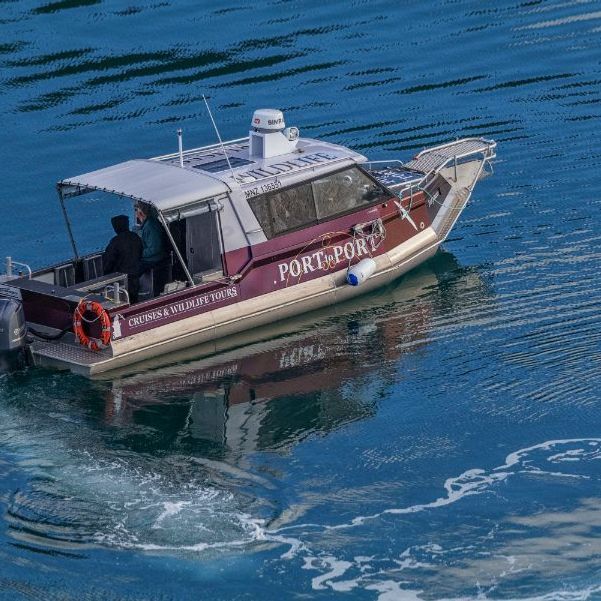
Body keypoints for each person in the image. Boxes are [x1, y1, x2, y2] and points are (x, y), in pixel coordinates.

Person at [103, 214, 143, 303]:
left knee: (124, 301)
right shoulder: (135, 237)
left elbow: (108, 262)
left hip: (121, 280)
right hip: (136, 275)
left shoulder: (115, 242)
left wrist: (106, 273)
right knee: (134, 299)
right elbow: (141, 252)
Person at [135, 203, 166, 274]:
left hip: (154, 259)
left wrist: (138, 254)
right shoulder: (147, 224)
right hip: (149, 258)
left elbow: (155, 249)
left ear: (141, 213)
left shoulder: (150, 226)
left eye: (136, 211)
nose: (136, 215)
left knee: (132, 270)